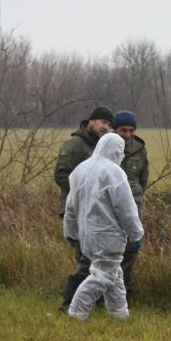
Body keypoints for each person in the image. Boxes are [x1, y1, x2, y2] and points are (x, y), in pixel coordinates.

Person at [61, 132, 145, 320]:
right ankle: (76, 312)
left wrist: (71, 231)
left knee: (114, 274)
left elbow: (71, 206)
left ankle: (119, 313)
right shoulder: (114, 172)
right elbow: (126, 208)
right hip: (109, 237)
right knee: (102, 276)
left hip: (87, 237)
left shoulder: (80, 170)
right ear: (117, 150)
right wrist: (136, 233)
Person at [53, 105, 115, 310]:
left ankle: (90, 302)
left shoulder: (99, 147)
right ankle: (69, 303)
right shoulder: (75, 144)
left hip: (94, 213)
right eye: (102, 122)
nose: (106, 127)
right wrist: (82, 194)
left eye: (109, 124)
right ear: (91, 121)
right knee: (86, 259)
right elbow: (61, 174)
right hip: (77, 211)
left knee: (92, 259)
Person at [113, 110, 149, 300]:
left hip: (134, 207)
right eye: (123, 130)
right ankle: (105, 291)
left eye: (131, 130)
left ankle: (127, 291)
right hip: (110, 208)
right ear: (115, 129)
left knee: (131, 249)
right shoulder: (107, 147)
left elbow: (144, 180)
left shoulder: (140, 150)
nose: (128, 135)